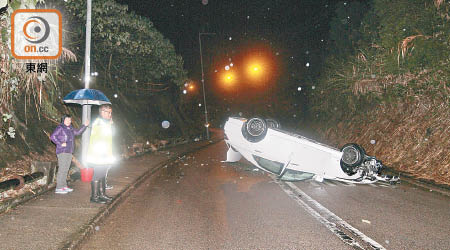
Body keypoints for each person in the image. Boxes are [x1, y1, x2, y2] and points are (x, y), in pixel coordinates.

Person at [50, 114, 89, 194]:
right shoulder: (60, 127)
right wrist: (60, 143)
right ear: (63, 120)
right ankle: (59, 187)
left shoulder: (70, 128)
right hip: (62, 151)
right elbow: (53, 137)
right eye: (67, 120)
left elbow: (78, 132)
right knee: (62, 169)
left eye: (70, 120)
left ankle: (63, 186)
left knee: (66, 169)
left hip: (69, 151)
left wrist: (84, 125)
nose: (69, 121)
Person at [86, 104, 116, 203]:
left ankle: (102, 194)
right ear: (102, 112)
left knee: (102, 174)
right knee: (97, 175)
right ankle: (94, 197)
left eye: (111, 112)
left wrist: (110, 124)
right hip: (98, 154)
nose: (110, 115)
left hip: (104, 153)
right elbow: (98, 139)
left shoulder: (104, 123)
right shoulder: (99, 123)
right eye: (108, 112)